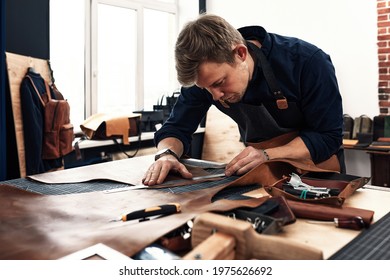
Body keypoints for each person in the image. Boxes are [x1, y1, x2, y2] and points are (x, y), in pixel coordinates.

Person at [142, 14, 344, 186]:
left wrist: (266, 154)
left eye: (220, 82)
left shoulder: (307, 62)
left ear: (240, 53)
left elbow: (327, 136)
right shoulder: (205, 78)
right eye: (206, 88)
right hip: (264, 175)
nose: (215, 95)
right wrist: (167, 154)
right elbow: (176, 128)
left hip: (318, 173)